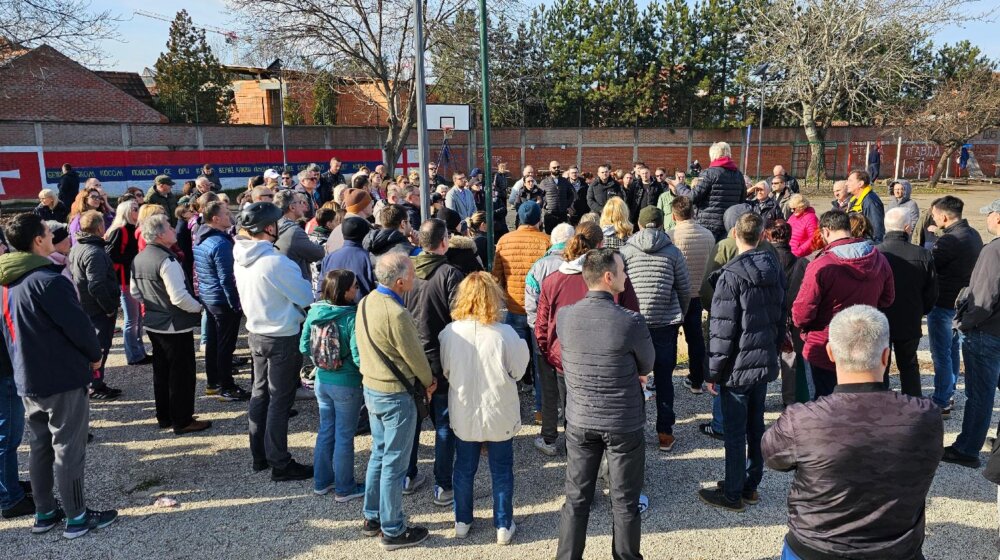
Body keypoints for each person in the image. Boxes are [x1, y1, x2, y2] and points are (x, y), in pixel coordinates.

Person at [763, 305, 942, 560]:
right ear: (886, 356)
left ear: (831, 354)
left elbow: (772, 457)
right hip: (896, 551)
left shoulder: (802, 420)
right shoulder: (926, 416)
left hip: (815, 549)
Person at [0, 214, 116, 538]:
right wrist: (95, 358)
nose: (53, 236)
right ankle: (77, 517)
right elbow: (80, 329)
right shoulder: (48, 281)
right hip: (61, 378)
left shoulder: (7, 284)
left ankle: (44, 512)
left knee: (40, 447)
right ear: (38, 240)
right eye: (47, 233)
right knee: (68, 447)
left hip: (27, 378)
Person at [555, 248, 654, 560]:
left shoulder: (566, 316)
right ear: (608, 277)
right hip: (622, 421)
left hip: (581, 418)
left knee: (576, 498)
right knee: (625, 501)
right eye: (623, 271)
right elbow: (647, 363)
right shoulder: (631, 322)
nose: (626, 276)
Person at [697, 212, 786, 512]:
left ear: (734, 233)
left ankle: (734, 492)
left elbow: (722, 330)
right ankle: (749, 484)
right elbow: (779, 318)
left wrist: (712, 372)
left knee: (735, 434)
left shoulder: (731, 276)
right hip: (761, 361)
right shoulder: (773, 269)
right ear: (762, 236)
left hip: (737, 367)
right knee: (754, 426)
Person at [535, 223, 640, 456]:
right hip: (608, 355)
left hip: (565, 358)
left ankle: (580, 460)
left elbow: (542, 327)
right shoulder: (611, 278)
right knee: (608, 412)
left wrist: (551, 354)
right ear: (600, 245)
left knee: (573, 412)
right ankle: (605, 460)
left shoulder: (552, 281)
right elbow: (633, 316)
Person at [439, 272, 529, 544]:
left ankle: (462, 520)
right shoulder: (505, 333)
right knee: (501, 469)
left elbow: (446, 369)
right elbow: (519, 370)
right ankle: (503, 524)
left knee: (464, 468)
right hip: (498, 408)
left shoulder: (450, 333)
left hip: (465, 409)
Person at [356, 253, 435, 551]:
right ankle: (393, 528)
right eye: (412, 274)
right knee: (394, 462)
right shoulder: (397, 313)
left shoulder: (366, 301)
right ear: (401, 281)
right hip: (395, 394)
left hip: (372, 387)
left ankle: (372, 516)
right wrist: (428, 381)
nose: (415, 278)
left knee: (379, 453)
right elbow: (415, 357)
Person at [233, 202, 315, 481]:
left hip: (256, 331)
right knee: (280, 400)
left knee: (260, 395)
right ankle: (280, 462)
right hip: (280, 334)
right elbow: (305, 296)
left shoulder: (241, 255)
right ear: (269, 228)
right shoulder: (275, 261)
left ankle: (260, 456)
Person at [792, 210, 894, 398]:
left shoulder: (820, 265)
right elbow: (887, 299)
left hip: (827, 345)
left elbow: (802, 313)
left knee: (825, 404)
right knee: (863, 403)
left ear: (826, 231)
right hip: (866, 342)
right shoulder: (879, 258)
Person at [402, 219, 465, 506]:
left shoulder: (406, 271)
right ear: (444, 241)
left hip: (411, 354)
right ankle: (442, 485)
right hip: (441, 356)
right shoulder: (450, 273)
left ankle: (407, 475)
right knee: (443, 423)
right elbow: (459, 316)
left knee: (413, 419)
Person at [130, 214, 210, 436]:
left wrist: (153, 303)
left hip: (154, 323)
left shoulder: (139, 258)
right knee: (181, 375)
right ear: (159, 234)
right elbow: (179, 297)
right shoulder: (167, 260)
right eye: (169, 227)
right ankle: (182, 420)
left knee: (162, 371)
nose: (174, 229)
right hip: (174, 324)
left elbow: (136, 292)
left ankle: (164, 415)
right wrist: (200, 307)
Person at [621, 206, 690, 453]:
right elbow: (684, 288)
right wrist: (678, 314)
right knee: (664, 379)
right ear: (662, 224)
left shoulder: (626, 251)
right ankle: (664, 433)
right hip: (664, 322)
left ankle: (633, 430)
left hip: (634, 322)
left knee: (631, 378)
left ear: (639, 224)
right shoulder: (673, 252)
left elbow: (620, 287)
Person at [299, 269, 365, 501]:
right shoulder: (350, 316)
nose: (357, 289)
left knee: (326, 430)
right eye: (354, 286)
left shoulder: (315, 312)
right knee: (345, 436)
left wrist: (322, 360)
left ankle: (322, 481)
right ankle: (345, 487)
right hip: (346, 382)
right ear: (345, 291)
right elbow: (358, 355)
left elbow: (304, 347)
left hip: (322, 381)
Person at [943, 199, 1000, 468]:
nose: (986, 219)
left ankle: (967, 449)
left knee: (980, 393)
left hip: (985, 331)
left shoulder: (994, 251)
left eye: (989, 214)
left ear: (998, 218)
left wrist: (964, 323)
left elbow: (984, 299)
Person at [928, 195, 983, 415]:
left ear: (943, 216)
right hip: (961, 302)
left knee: (941, 353)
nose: (932, 218)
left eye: (933, 215)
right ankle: (947, 392)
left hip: (944, 302)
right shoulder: (972, 234)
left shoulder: (949, 241)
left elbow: (931, 265)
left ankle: (941, 399)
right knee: (950, 350)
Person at [876, 207, 937, 398]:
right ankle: (913, 406)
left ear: (886, 228)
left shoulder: (874, 253)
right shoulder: (923, 255)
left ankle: (880, 405)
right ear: (907, 228)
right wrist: (921, 310)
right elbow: (932, 291)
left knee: (880, 366)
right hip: (909, 318)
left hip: (880, 318)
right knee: (909, 365)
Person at [193, 201, 250, 402]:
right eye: (226, 213)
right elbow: (227, 278)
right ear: (215, 218)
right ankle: (227, 386)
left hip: (209, 297)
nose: (230, 216)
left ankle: (213, 382)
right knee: (225, 345)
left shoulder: (201, 238)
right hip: (221, 300)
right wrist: (236, 303)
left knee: (214, 342)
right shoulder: (220, 243)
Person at [492, 200, 551, 392]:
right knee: (539, 352)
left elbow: (496, 276)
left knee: (516, 350)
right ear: (538, 219)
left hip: (514, 304)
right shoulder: (546, 241)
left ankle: (519, 385)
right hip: (540, 307)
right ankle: (539, 390)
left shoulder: (504, 240)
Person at [524, 223, 576, 428]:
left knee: (546, 387)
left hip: (544, 337)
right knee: (570, 389)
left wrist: (538, 332)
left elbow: (530, 305)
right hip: (571, 338)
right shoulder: (578, 264)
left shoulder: (538, 266)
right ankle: (571, 434)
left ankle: (549, 436)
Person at [67, 210, 121, 400]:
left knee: (94, 347)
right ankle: (94, 385)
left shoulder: (77, 246)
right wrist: (108, 308)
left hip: (85, 306)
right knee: (99, 348)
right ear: (100, 227)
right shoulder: (94, 252)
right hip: (96, 309)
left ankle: (95, 383)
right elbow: (96, 284)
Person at [666, 196, 715, 395]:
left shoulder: (670, 235)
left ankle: (664, 379)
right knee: (695, 339)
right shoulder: (708, 235)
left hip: (677, 294)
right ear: (693, 212)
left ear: (674, 215)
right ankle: (697, 381)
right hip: (698, 293)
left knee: (669, 339)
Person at [672, 141, 747, 241]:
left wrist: (678, 186)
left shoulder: (710, 173)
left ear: (713, 155)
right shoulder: (739, 175)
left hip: (709, 226)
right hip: (729, 226)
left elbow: (691, 197)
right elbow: (742, 201)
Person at [273, 190, 325, 281]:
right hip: (296, 283)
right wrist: (327, 246)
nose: (303, 205)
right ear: (292, 207)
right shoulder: (294, 231)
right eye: (300, 202)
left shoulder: (274, 226)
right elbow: (318, 254)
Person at [320, 217, 376, 301]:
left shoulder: (329, 258)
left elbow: (321, 289)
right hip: (360, 311)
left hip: (333, 310)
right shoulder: (368, 258)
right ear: (365, 234)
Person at [324, 188, 374, 253]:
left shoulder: (335, 231)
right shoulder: (364, 230)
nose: (372, 205)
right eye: (370, 202)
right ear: (363, 206)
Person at [845, 169, 885, 243]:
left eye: (850, 181)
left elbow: (876, 231)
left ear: (860, 184)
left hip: (867, 246)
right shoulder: (854, 200)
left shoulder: (870, 201)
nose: (846, 184)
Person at [539, 161, 575, 233]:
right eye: (554, 167)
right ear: (550, 169)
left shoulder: (564, 181)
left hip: (562, 215)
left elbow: (571, 195)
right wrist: (545, 205)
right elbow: (540, 196)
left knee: (563, 236)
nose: (556, 169)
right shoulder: (544, 182)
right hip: (550, 215)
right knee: (550, 236)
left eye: (558, 167)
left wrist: (566, 205)